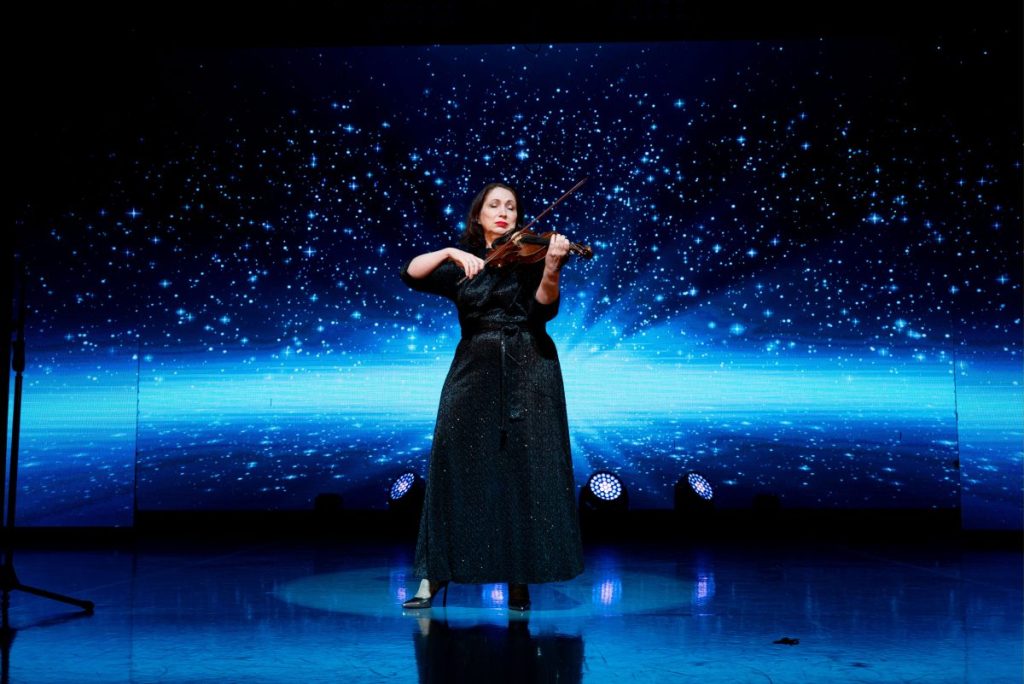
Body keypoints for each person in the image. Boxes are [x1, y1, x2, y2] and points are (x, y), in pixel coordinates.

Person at [399, 182, 585, 612]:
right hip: (474, 367)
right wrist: (450, 252)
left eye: (511, 207)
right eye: (494, 205)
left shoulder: (532, 255)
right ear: (479, 215)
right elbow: (410, 272)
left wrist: (552, 268)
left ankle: (520, 578)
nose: (503, 212)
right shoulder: (466, 261)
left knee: (525, 472)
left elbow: (544, 310)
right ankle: (434, 573)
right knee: (453, 466)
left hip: (530, 365)